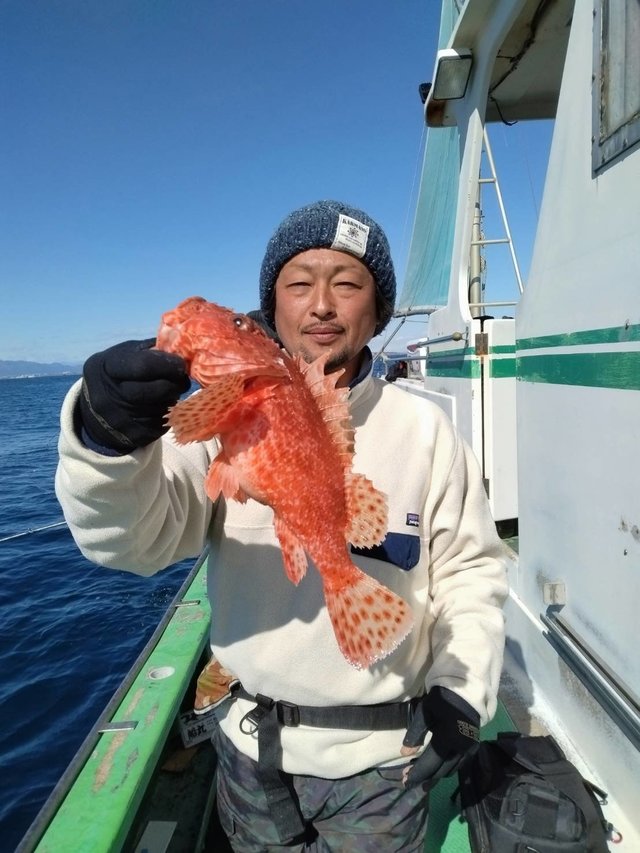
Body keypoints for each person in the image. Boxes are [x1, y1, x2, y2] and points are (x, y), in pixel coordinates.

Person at [56, 200, 508, 851]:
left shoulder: (426, 431)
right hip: (248, 750)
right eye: (299, 283)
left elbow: (472, 571)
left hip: (385, 764)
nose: (321, 304)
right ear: (273, 308)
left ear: (377, 310)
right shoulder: (219, 421)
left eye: (347, 283)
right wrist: (106, 440)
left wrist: (462, 694)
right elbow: (133, 543)